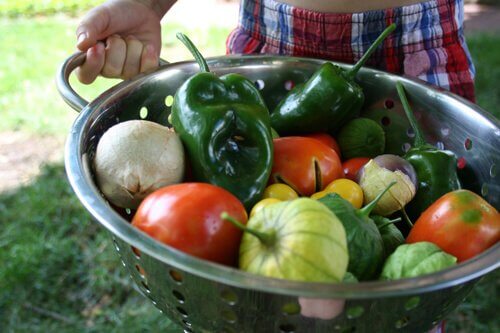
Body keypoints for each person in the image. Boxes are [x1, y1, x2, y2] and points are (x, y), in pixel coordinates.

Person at [75, 0, 476, 102]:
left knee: (411, 258)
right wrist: (148, 5)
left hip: (413, 51)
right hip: (270, 43)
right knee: (246, 272)